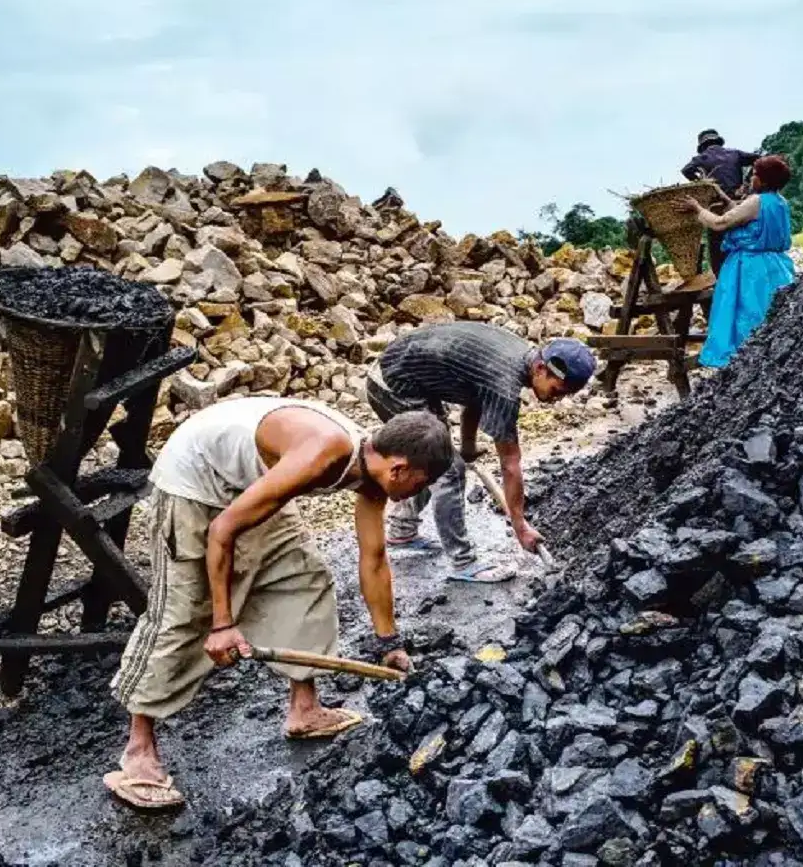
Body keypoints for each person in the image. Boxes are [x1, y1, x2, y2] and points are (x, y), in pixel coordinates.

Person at [103, 397, 452, 811]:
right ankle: (138, 753)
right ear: (399, 468)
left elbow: (373, 560)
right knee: (183, 613)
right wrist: (222, 624)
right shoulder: (323, 453)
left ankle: (305, 709)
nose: (417, 493)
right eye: (420, 484)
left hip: (254, 480)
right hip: (195, 482)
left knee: (304, 577)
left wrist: (388, 641)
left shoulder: (374, 470)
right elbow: (222, 530)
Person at [366, 323, 596, 583]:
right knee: (446, 468)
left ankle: (402, 530)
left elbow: (475, 397)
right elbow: (510, 462)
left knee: (440, 455)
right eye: (556, 391)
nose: (556, 400)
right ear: (541, 368)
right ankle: (464, 562)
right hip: (392, 385)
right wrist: (520, 526)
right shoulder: (504, 384)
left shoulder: (522, 357)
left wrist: (467, 448)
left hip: (410, 377)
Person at [678, 155, 795, 369]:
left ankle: (746, 362)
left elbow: (720, 223)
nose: (752, 179)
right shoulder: (780, 202)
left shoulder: (756, 201)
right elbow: (743, 213)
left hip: (749, 268)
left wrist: (697, 209)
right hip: (776, 266)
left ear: (764, 181)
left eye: (755, 175)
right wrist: (723, 196)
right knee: (772, 313)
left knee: (746, 314)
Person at [681, 129, 761, 275]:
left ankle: (722, 278)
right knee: (742, 240)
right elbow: (759, 159)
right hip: (739, 204)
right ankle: (746, 274)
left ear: (702, 145)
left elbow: (686, 170)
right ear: (718, 141)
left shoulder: (702, 158)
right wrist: (747, 182)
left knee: (717, 247)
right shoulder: (735, 153)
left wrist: (702, 183)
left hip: (716, 207)